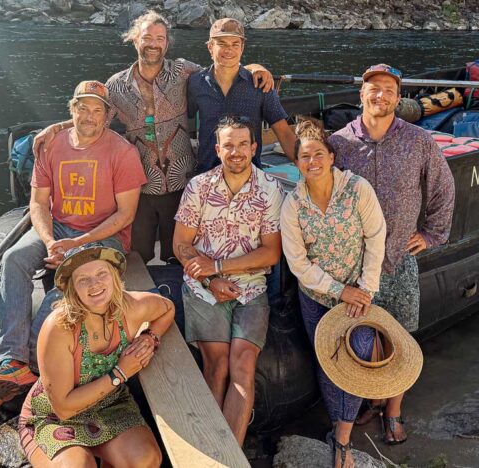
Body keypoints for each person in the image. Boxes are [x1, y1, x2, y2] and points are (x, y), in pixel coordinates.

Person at [32, 11, 275, 264]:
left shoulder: (182, 71)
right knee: (138, 255)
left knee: (178, 252)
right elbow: (94, 117)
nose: (154, 44)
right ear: (135, 40)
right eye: (147, 37)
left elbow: (222, 68)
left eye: (160, 38)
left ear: (167, 43)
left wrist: (255, 67)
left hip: (182, 181)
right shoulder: (115, 86)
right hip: (140, 184)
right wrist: (58, 127)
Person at [0, 81, 147, 408]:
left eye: (97, 110)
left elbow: (126, 215)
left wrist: (79, 243)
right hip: (58, 227)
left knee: (71, 278)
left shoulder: (122, 152)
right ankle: (11, 361)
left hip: (101, 234)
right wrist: (51, 241)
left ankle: (33, 361)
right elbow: (39, 203)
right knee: (13, 258)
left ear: (107, 116)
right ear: (72, 111)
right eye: (83, 108)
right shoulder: (51, 144)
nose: (89, 116)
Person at [328, 64, 456, 444]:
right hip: (354, 264)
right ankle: (365, 401)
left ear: (398, 99)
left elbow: (443, 188)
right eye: (373, 88)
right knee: (358, 341)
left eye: (388, 89)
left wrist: (432, 234)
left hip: (399, 260)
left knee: (401, 339)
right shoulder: (340, 143)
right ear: (361, 96)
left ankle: (394, 410)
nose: (379, 95)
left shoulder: (417, 141)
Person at [280, 120, 386, 468]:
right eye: (305, 157)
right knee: (329, 365)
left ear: (332, 156)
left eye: (318, 154)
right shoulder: (293, 204)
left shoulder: (357, 189)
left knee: (357, 355)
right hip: (318, 296)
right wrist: (340, 291)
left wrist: (366, 289)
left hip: (359, 292)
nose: (312, 162)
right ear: (296, 163)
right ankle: (340, 434)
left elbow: (375, 238)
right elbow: (298, 262)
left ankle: (342, 436)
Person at [172, 116, 283, 445]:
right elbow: (181, 244)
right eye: (228, 145)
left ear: (254, 147)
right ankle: (208, 445)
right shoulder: (199, 187)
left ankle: (230, 453)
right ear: (218, 149)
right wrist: (210, 281)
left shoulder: (269, 189)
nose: (236, 152)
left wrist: (219, 267)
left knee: (243, 364)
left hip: (251, 290)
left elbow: (270, 254)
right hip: (203, 290)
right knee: (217, 363)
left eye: (242, 145)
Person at [18, 243, 174, 467]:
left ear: (114, 277)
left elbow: (167, 308)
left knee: (145, 460)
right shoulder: (58, 328)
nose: (95, 284)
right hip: (54, 417)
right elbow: (63, 407)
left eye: (102, 273)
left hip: (110, 405)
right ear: (72, 288)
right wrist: (119, 373)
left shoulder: (131, 307)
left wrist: (150, 337)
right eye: (83, 279)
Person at [187, 17, 297, 173]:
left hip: (249, 177)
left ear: (242, 48)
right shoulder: (196, 83)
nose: (229, 50)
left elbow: (284, 133)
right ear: (210, 47)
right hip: (207, 177)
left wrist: (309, 171)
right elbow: (182, 117)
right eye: (222, 44)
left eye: (235, 44)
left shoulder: (260, 85)